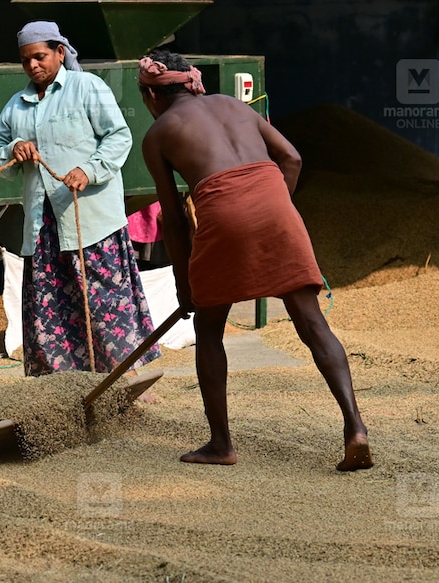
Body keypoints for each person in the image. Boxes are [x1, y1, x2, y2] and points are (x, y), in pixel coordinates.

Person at [137, 48, 373, 471]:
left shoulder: (157, 135)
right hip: (276, 205)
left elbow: (172, 221)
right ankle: (355, 427)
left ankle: (221, 444)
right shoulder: (232, 104)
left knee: (209, 329)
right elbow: (293, 158)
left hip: (222, 213)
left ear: (151, 96)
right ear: (192, 83)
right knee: (312, 322)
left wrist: (184, 282)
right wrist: (272, 206)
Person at [0, 21, 161, 377]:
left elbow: (118, 137)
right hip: (43, 227)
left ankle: (124, 378)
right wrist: (12, 150)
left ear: (59, 52)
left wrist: (89, 170)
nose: (33, 66)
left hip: (91, 221)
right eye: (26, 61)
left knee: (104, 303)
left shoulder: (87, 87)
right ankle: (62, 386)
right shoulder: (16, 105)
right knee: (51, 309)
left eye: (39, 57)